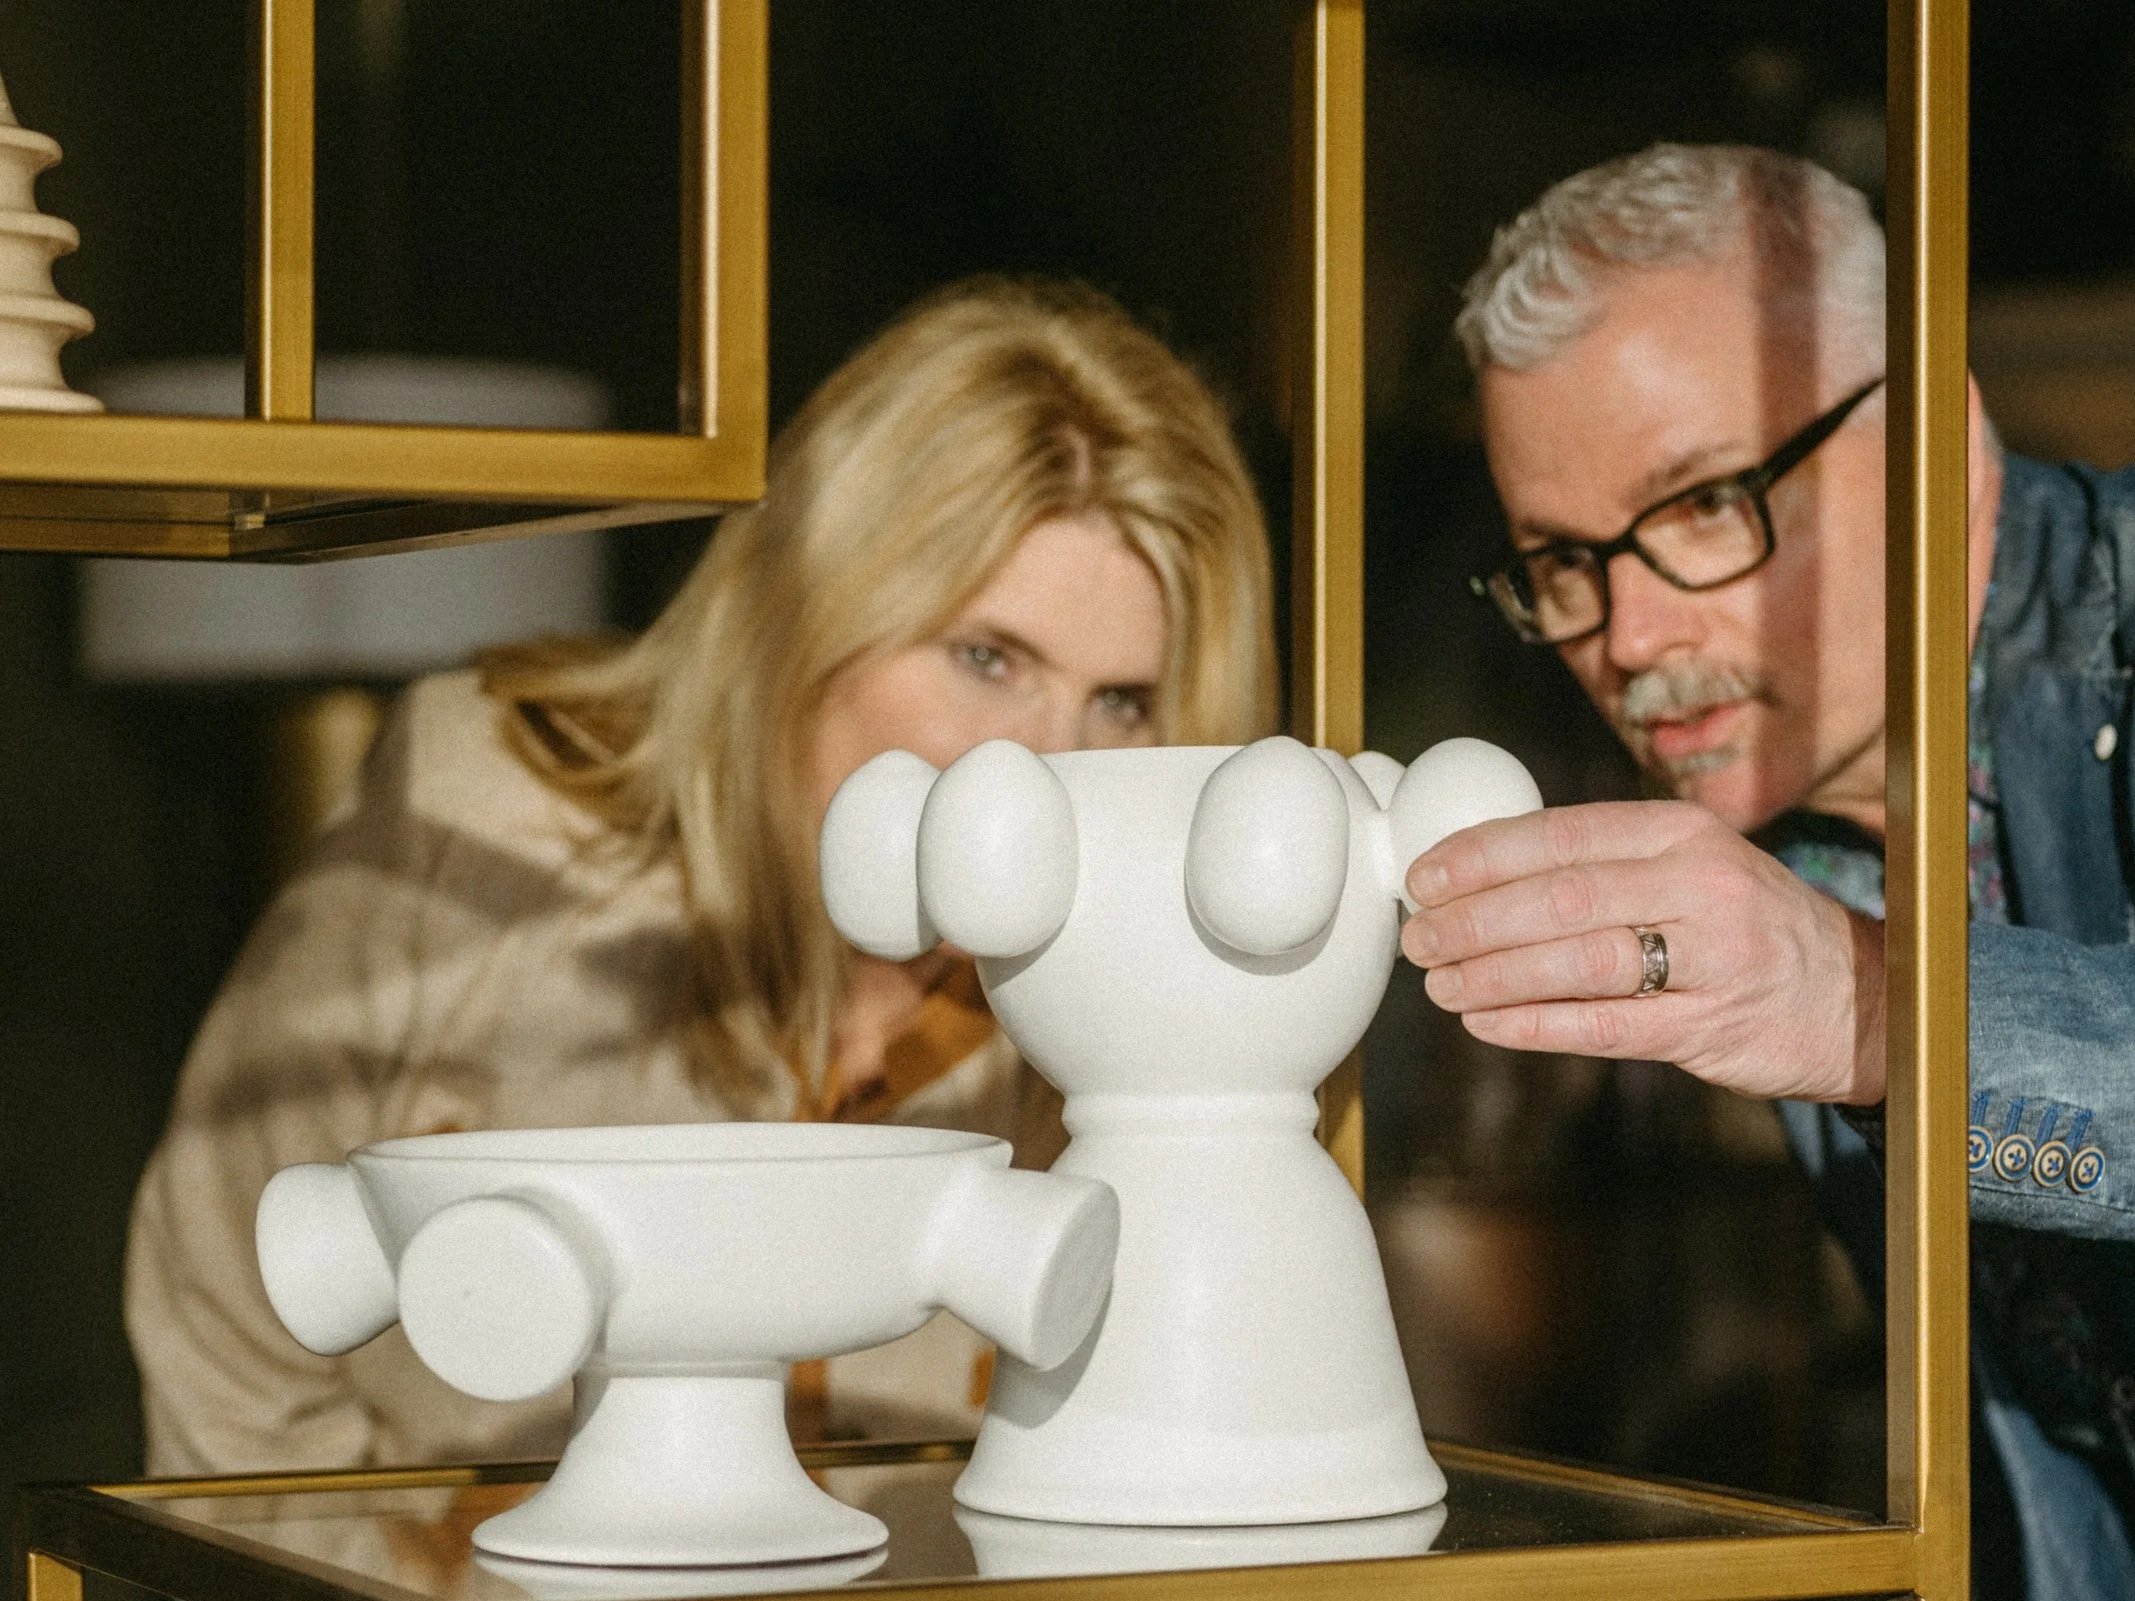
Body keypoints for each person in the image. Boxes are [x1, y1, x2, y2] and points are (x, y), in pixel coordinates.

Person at [125, 276, 1277, 1477]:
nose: (1045, 770)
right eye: (986, 657)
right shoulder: (483, 811)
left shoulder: (1144, 1036)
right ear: (811, 617)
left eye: (1123, 701)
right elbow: (225, 1308)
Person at [1403, 143, 2135, 1599]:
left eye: (1699, 503)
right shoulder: (1789, 825)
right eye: (1558, 560)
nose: (1620, 638)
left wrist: (1870, 1006)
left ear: (1939, 437)